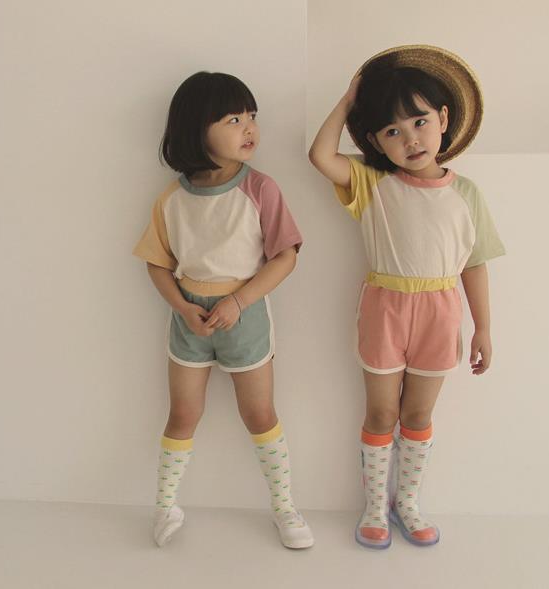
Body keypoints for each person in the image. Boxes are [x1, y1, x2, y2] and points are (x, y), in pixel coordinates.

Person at [308, 45, 505, 549]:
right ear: (376, 141)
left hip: (441, 313)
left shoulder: (467, 194)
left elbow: (475, 263)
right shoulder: (373, 182)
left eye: (419, 122)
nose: (410, 138)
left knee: (417, 416)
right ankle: (375, 506)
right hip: (385, 310)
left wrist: (483, 327)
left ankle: (408, 502)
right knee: (380, 415)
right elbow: (321, 157)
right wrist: (349, 101)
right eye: (392, 131)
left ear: (443, 119)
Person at [133, 71, 313, 549]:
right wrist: (181, 307)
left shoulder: (261, 189)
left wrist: (239, 301)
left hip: (245, 315)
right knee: (182, 413)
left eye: (252, 116)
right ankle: (165, 505)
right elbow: (156, 264)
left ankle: (285, 507)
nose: (249, 127)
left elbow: (286, 257)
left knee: (259, 413)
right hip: (188, 318)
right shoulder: (172, 198)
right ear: (197, 128)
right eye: (234, 119)